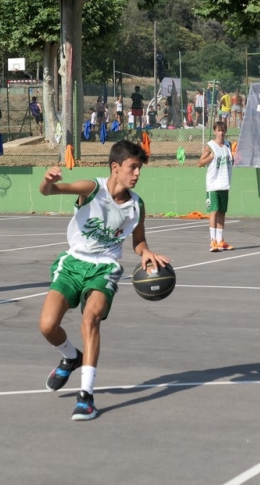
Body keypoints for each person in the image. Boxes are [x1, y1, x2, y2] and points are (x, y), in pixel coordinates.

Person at [38, 139, 169, 420]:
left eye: (140, 168)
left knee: (91, 320)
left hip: (105, 268)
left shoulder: (136, 205)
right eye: (133, 167)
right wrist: (47, 181)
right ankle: (71, 357)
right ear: (115, 167)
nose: (137, 173)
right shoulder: (92, 189)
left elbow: (138, 240)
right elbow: (50, 191)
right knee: (47, 326)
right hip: (73, 263)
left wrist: (146, 252)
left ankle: (85, 397)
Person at [198, 121, 234, 252]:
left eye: (223, 130)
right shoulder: (210, 146)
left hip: (225, 184)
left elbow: (231, 161)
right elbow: (200, 162)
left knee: (222, 212)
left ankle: (220, 241)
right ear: (214, 131)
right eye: (219, 130)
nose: (221, 133)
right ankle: (212, 240)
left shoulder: (228, 145)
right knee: (214, 211)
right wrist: (210, 157)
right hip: (213, 185)